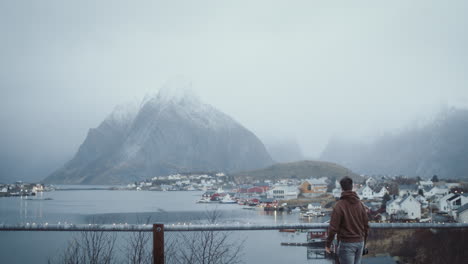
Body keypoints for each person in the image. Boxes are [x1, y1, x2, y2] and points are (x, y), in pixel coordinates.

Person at [325, 177, 369, 264]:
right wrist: (365, 242)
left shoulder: (339, 205)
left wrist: (328, 244)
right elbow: (366, 225)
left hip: (347, 243)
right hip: (360, 242)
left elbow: (333, 228)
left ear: (341, 188)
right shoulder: (360, 204)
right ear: (352, 187)